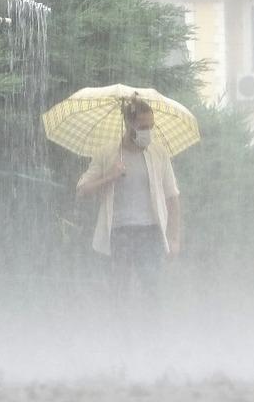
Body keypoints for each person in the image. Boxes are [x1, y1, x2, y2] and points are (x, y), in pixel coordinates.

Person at [76, 97, 181, 332]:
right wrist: (111, 176)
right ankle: (120, 343)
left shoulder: (159, 154)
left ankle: (152, 341)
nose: (147, 132)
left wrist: (174, 238)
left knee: (152, 290)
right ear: (128, 124)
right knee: (118, 291)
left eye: (151, 126)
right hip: (119, 232)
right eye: (142, 126)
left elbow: (172, 197)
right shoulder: (107, 154)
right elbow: (82, 190)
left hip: (151, 232)